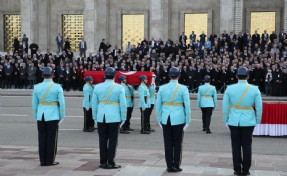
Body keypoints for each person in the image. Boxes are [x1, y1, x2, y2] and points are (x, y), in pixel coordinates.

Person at [223, 67, 262, 176]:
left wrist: (226, 119)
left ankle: (237, 169)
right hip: (248, 120)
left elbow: (225, 106)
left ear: (236, 76)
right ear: (248, 76)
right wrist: (257, 120)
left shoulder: (230, 89)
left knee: (235, 145)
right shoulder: (255, 89)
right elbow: (259, 107)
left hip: (234, 120)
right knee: (247, 145)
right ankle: (246, 169)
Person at [156, 67, 191, 173]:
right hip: (179, 118)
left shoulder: (162, 88)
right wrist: (188, 120)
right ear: (179, 76)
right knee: (177, 143)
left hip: (166, 118)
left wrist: (159, 119)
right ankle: (176, 165)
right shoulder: (183, 88)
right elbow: (187, 106)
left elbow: (158, 105)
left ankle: (169, 165)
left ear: (169, 76)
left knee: (167, 143)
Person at [92, 67, 127, 169]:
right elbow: (123, 104)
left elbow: (94, 104)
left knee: (102, 140)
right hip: (114, 116)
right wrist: (123, 117)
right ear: (115, 76)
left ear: (104, 75)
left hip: (101, 116)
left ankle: (103, 162)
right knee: (113, 140)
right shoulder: (119, 88)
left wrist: (95, 116)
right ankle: (111, 162)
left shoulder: (97, 87)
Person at [32, 67, 65, 166]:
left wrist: (35, 115)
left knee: (42, 138)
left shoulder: (36, 87)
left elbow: (34, 103)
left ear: (42, 75)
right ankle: (50, 160)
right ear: (53, 75)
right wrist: (62, 115)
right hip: (53, 115)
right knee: (52, 138)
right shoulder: (57, 87)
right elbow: (62, 103)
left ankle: (43, 160)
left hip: (41, 115)